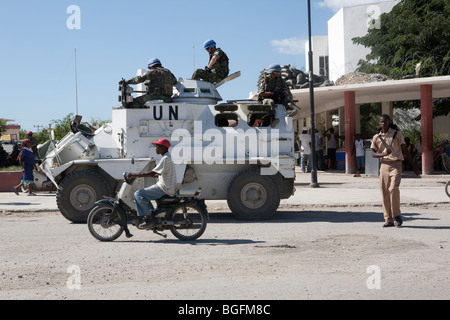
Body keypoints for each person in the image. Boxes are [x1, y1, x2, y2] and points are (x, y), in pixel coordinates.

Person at [370, 114, 419, 228]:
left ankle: (397, 215)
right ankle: (388, 219)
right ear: (379, 123)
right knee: (384, 192)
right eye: (381, 122)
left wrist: (414, 166)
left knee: (393, 189)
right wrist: (383, 154)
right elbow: (373, 153)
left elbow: (405, 151)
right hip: (384, 166)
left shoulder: (397, 134)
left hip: (396, 164)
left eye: (385, 121)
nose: (383, 123)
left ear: (389, 122)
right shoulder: (376, 137)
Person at [126, 138, 177, 228]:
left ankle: (150, 219)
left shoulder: (165, 159)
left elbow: (153, 173)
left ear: (163, 148)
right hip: (164, 186)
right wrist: (138, 175)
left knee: (138, 194)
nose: (155, 148)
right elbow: (157, 174)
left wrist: (135, 175)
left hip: (164, 188)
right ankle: (150, 213)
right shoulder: (167, 157)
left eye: (157, 146)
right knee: (143, 194)